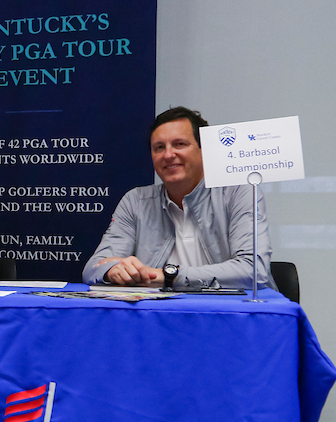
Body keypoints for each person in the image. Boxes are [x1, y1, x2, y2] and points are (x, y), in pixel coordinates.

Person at [82, 106, 271, 290]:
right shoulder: (136, 201)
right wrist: (113, 271)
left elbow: (254, 270)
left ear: (203, 150)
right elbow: (93, 269)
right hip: (160, 314)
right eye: (159, 147)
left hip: (229, 313)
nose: (168, 154)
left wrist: (169, 276)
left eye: (180, 144)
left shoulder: (238, 191)